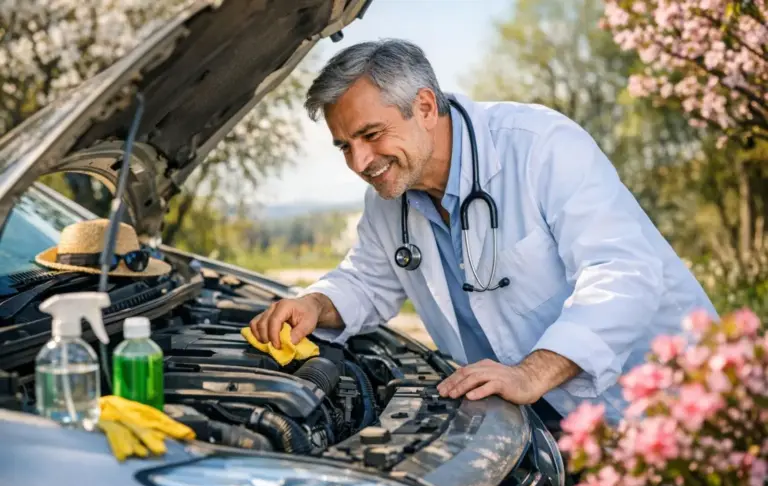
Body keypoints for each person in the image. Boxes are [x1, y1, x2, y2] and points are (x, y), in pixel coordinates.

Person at [249, 39, 717, 428]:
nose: (360, 163)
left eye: (371, 134)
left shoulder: (541, 147)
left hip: (655, 407)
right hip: (535, 425)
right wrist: (313, 304)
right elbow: (368, 281)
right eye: (344, 146)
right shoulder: (388, 200)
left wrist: (532, 373)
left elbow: (623, 273)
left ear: (426, 106)